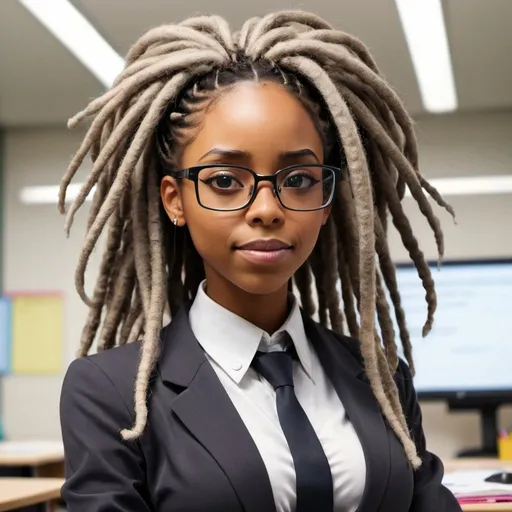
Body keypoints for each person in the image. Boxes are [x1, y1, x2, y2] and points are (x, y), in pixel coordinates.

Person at [58, 10, 461, 512]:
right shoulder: (108, 392)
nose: (267, 210)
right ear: (174, 199)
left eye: (297, 180)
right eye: (225, 181)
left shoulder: (378, 374)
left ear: (328, 196)